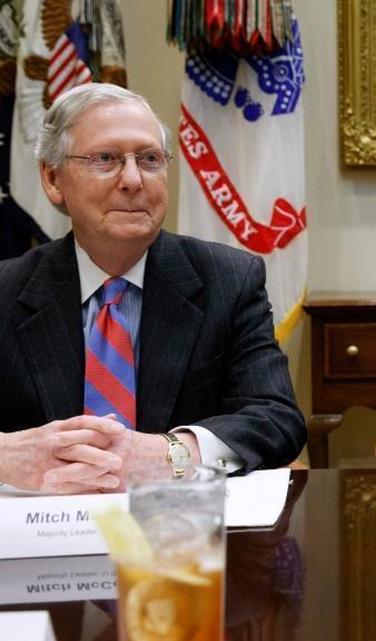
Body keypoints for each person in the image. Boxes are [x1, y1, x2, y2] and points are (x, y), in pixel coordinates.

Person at [0, 83, 306, 493]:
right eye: (105, 159)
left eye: (149, 159)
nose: (133, 179)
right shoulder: (6, 290)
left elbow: (275, 417)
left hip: (179, 533)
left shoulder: (228, 279)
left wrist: (172, 453)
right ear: (53, 179)